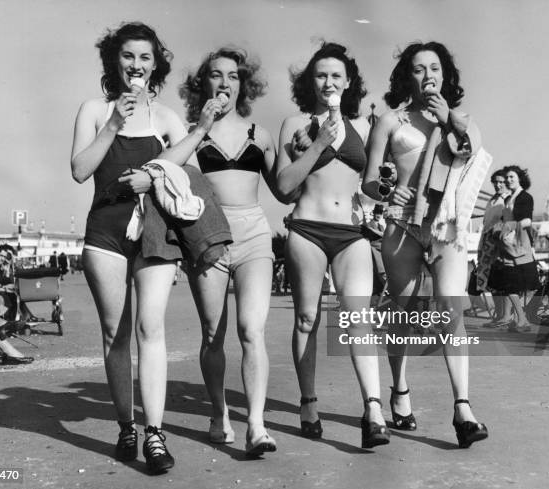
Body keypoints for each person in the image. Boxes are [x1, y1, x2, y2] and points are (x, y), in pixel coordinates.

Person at [70, 22, 185, 474]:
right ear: (114, 62)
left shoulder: (169, 118)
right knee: (114, 333)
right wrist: (116, 121)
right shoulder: (94, 109)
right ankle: (126, 425)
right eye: (128, 56)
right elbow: (80, 170)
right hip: (105, 230)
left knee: (150, 328)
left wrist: (157, 172)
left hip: (154, 229)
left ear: (155, 65)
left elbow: (184, 170)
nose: (136, 65)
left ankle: (155, 433)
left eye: (144, 58)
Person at [363, 41, 488, 448]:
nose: (428, 74)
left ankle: (463, 409)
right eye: (418, 69)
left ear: (445, 75)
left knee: (451, 310)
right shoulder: (390, 121)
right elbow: (369, 179)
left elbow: (473, 154)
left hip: (446, 227)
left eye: (435, 67)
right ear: (408, 76)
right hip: (402, 226)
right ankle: (399, 391)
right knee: (401, 313)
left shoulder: (463, 121)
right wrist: (387, 191)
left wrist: (448, 119)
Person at [156, 46, 280, 457]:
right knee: (213, 333)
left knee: (251, 329)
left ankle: (257, 426)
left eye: (232, 75)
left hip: (255, 236)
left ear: (243, 85)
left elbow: (285, 188)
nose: (224, 82)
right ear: (202, 83)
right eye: (215, 74)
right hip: (207, 236)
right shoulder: (191, 130)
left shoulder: (259, 134)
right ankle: (219, 412)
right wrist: (199, 127)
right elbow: (164, 167)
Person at [276, 42, 390, 448]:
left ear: (349, 82)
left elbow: (374, 185)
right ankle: (308, 402)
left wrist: (387, 183)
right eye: (321, 75)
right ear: (311, 81)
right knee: (307, 319)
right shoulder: (294, 124)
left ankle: (373, 410)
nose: (328, 82)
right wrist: (320, 143)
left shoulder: (363, 126)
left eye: (336, 76)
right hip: (306, 227)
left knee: (359, 319)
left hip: (350, 233)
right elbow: (284, 188)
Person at [488, 165, 539, 332]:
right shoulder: (510, 198)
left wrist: (508, 226)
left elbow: (528, 221)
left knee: (519, 284)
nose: (508, 180)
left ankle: (521, 319)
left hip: (519, 245)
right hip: (509, 245)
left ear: (520, 179)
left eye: (512, 177)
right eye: (507, 177)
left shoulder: (525, 197)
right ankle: (520, 319)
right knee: (510, 284)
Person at [477, 170, 510, 327]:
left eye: (501, 181)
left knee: (503, 281)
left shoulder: (508, 199)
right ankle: (499, 315)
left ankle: (505, 316)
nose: (498, 184)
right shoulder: (492, 200)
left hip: (500, 244)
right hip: (487, 243)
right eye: (495, 182)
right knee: (491, 282)